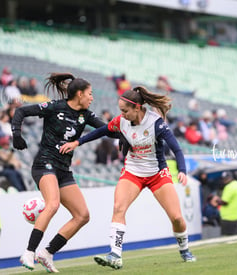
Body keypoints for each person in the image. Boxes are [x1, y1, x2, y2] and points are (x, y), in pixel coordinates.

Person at [60, 86, 196, 269]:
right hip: (133, 172)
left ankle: (185, 249)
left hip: (157, 174)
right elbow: (101, 132)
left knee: (177, 218)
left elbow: (177, 149)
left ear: (137, 108)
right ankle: (115, 255)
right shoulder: (121, 121)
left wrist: (182, 170)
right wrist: (77, 142)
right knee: (118, 208)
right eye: (120, 111)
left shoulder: (156, 123)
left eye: (125, 111)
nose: (122, 115)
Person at [12, 72, 117, 273]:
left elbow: (108, 130)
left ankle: (48, 252)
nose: (92, 97)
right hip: (44, 164)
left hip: (63, 170)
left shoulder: (86, 115)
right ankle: (29, 252)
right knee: (53, 204)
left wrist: (130, 131)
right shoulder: (55, 107)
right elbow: (21, 112)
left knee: (83, 215)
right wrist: (16, 133)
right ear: (79, 94)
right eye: (90, 94)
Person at [216, 171, 237, 236]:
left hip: (229, 217)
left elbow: (224, 202)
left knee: (228, 238)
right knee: (236, 237)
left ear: (230, 177)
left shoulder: (229, 187)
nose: (224, 180)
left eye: (226, 178)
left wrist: (217, 200)